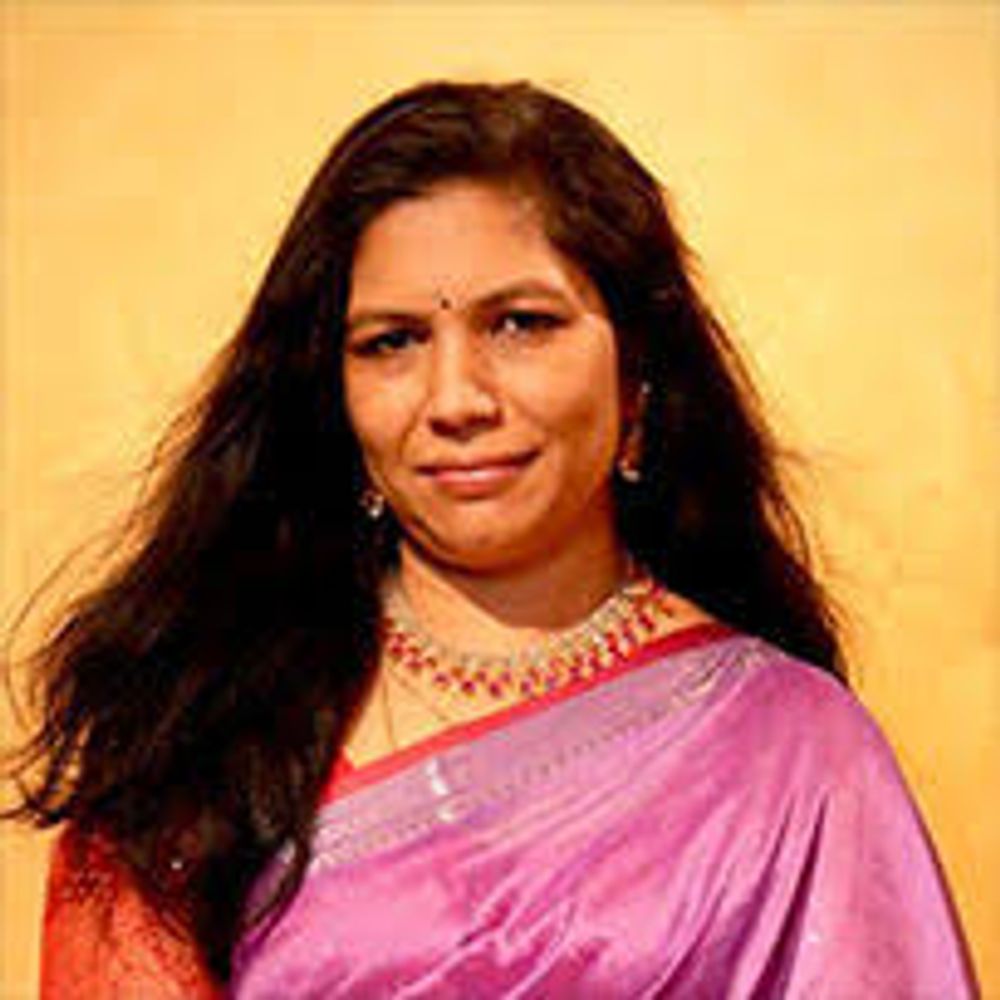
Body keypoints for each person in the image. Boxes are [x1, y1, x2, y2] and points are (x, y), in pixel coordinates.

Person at [6, 80, 976, 997]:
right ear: (333, 393)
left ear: (637, 375)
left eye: (520, 324)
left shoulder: (793, 756)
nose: (456, 399)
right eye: (391, 342)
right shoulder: (200, 734)